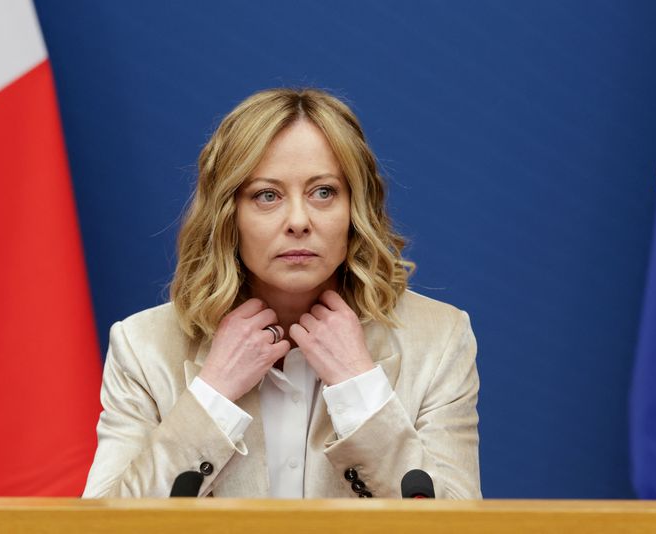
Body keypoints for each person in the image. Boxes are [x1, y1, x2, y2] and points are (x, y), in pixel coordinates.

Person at [82, 88, 481, 499]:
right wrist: (212, 393)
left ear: (355, 208)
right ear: (228, 216)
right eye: (267, 195)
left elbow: (458, 523)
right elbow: (102, 524)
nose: (298, 221)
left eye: (323, 192)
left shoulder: (439, 339)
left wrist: (359, 387)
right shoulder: (143, 347)